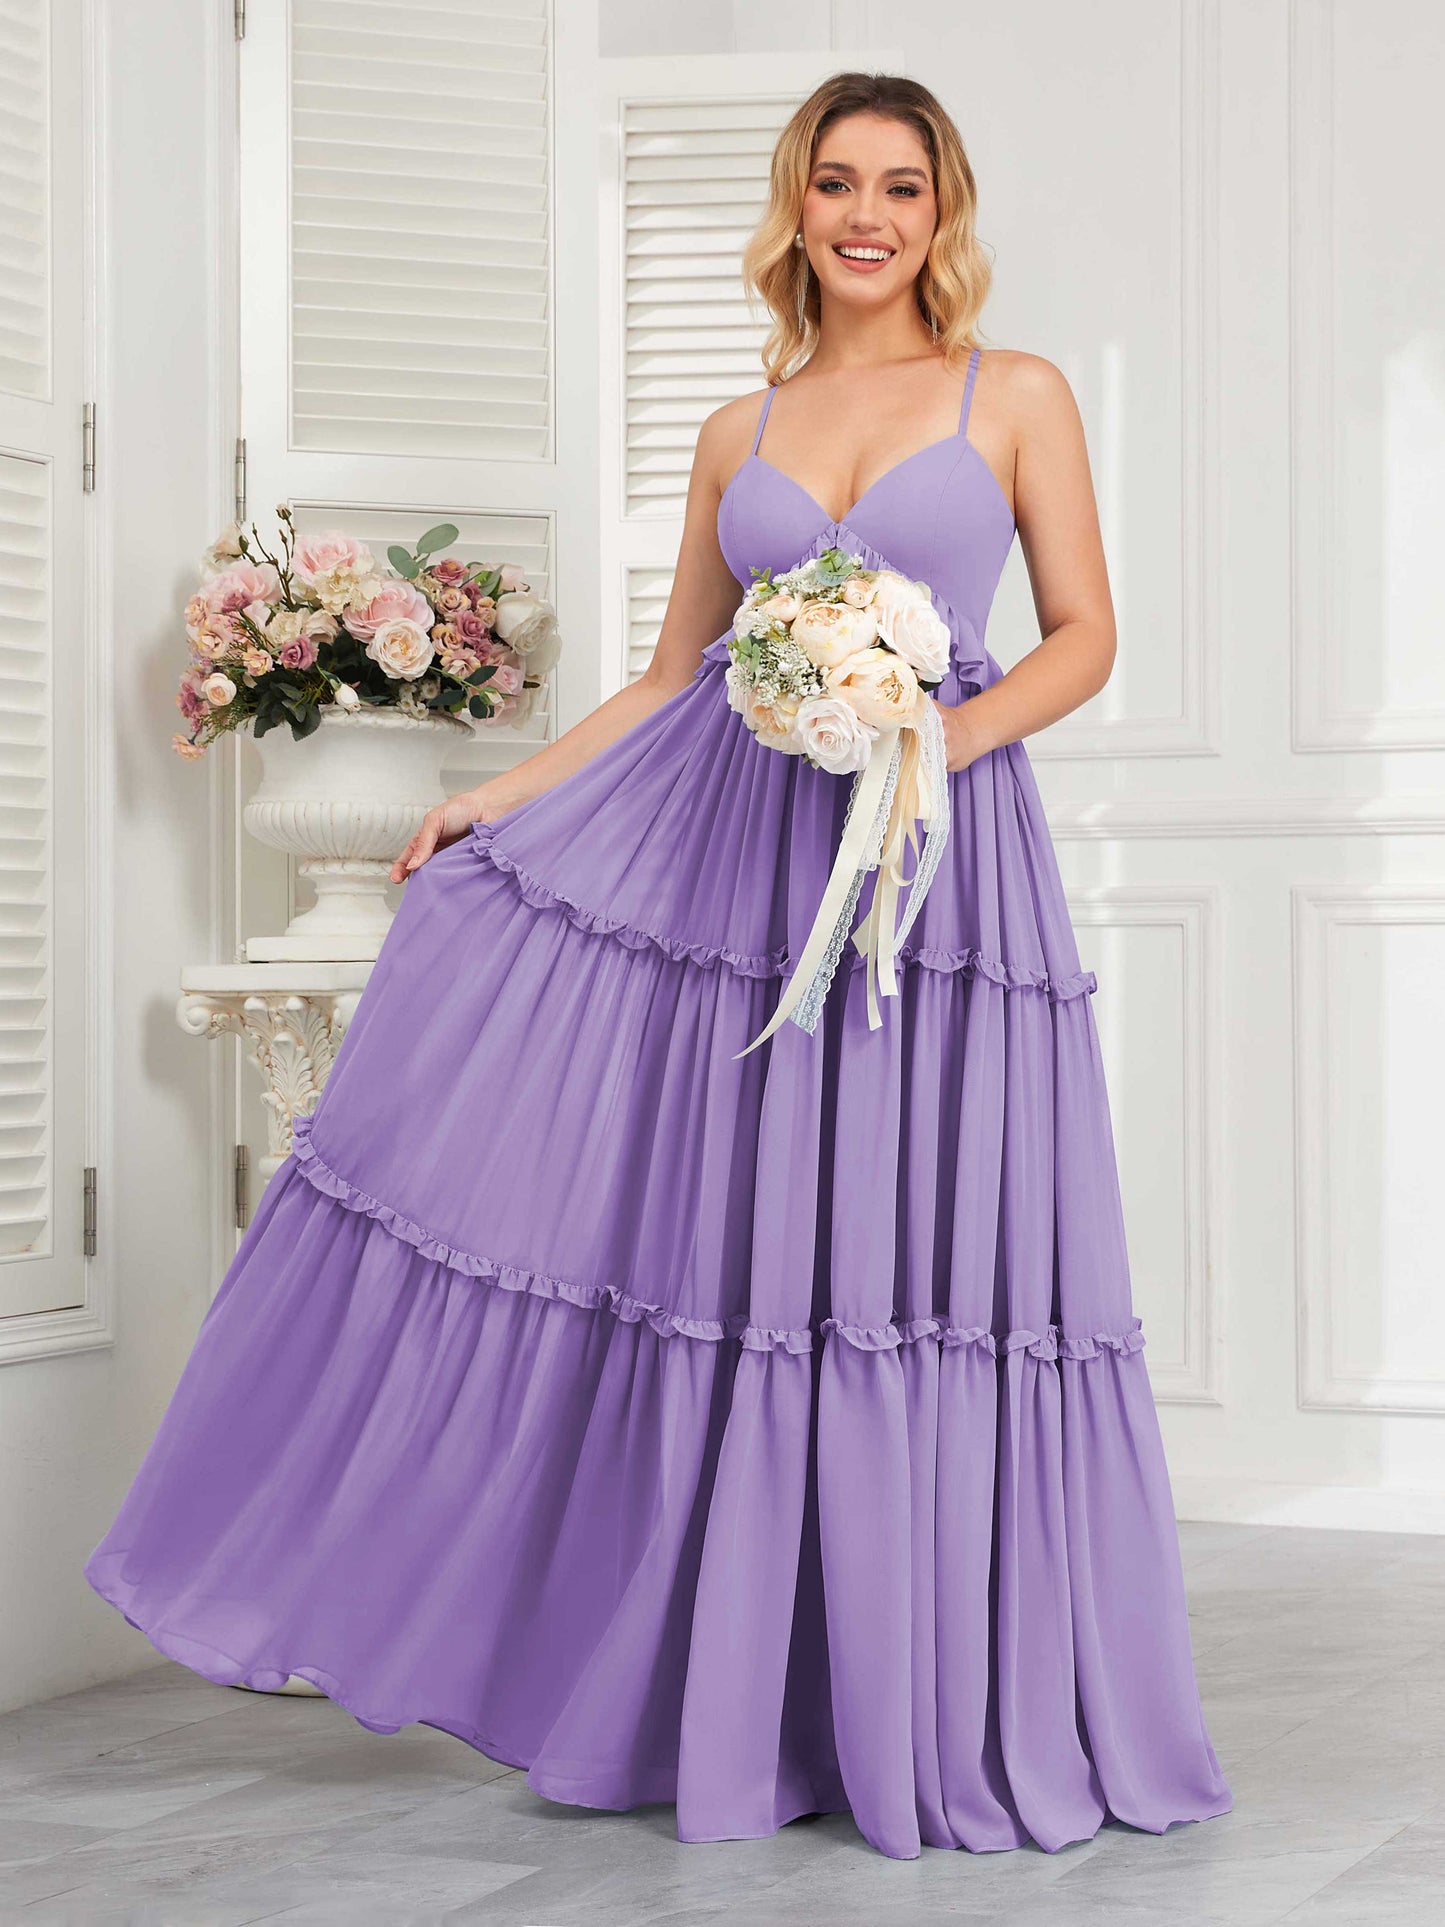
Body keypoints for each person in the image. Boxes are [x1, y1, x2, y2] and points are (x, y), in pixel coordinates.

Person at [85, 71, 1231, 1861]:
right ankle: (750, 1698)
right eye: (837, 183)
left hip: (931, 876)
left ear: (943, 212)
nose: (868, 216)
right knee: (748, 1263)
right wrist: (496, 799)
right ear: (797, 207)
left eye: (902, 186)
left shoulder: (1013, 395)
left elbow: (1082, 639)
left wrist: (935, 746)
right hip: (739, 876)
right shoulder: (735, 426)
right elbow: (668, 677)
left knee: (912, 1265)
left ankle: (930, 1702)